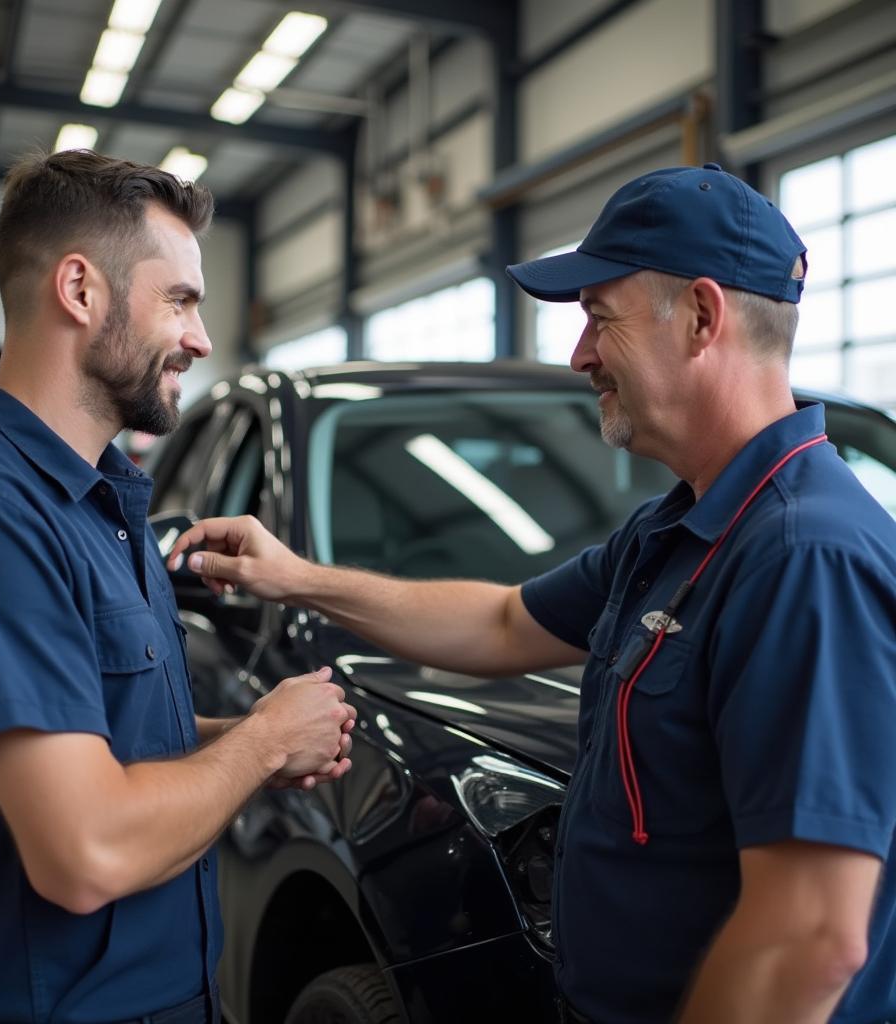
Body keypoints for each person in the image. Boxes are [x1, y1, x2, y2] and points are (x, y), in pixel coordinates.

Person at [168, 164, 896, 1024]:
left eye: (599, 317)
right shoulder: (677, 533)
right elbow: (506, 620)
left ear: (703, 316)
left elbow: (811, 934)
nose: (581, 353)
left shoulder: (803, 558)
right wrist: (295, 577)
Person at [0, 149, 357, 1024]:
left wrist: (249, 732)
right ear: (81, 290)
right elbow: (84, 851)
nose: (202, 339)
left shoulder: (96, 506)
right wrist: (257, 747)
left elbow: (103, 733)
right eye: (180, 300)